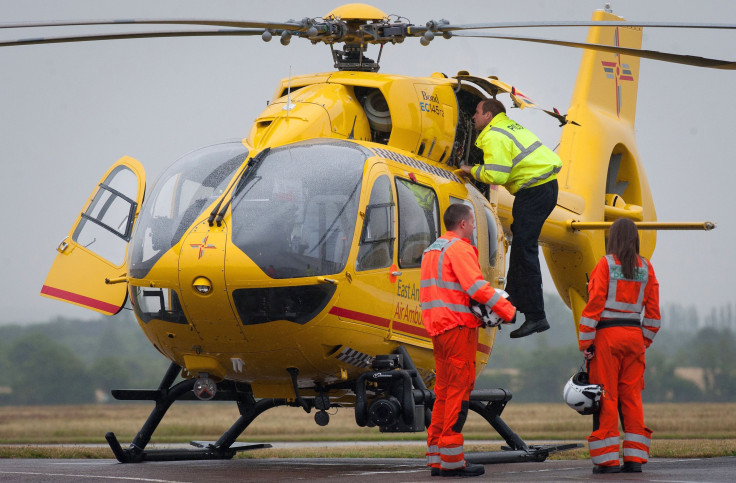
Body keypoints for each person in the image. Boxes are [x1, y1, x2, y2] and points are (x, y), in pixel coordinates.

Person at [420, 203, 516, 477]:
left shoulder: (431, 250)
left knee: (443, 392)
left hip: (438, 329)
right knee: (459, 391)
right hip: (458, 327)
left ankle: (437, 457)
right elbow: (475, 287)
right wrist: (507, 310)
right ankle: (452, 462)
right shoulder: (459, 248)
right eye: (473, 222)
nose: (474, 227)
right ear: (462, 224)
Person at [460, 98, 561, 338]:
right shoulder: (507, 126)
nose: (473, 117)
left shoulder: (494, 134)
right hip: (541, 188)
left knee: (525, 250)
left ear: (488, 115)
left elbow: (497, 175)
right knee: (520, 248)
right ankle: (512, 302)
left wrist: (469, 170)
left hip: (534, 190)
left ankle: (537, 316)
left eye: (476, 112)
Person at [578, 218, 661, 474]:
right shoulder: (646, 268)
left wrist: (585, 342)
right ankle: (634, 459)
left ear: (612, 237)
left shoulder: (606, 264)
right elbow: (654, 315)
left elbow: (594, 305)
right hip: (634, 337)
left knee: (607, 397)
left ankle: (608, 461)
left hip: (607, 337)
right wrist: (643, 341)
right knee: (632, 398)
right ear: (635, 238)